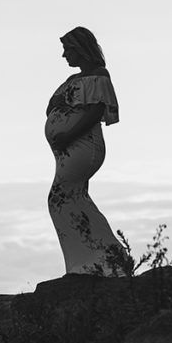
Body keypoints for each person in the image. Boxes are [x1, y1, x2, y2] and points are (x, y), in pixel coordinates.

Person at [44, 27, 130, 276]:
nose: (64, 56)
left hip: (83, 145)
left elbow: (95, 112)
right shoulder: (72, 81)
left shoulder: (99, 76)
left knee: (60, 198)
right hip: (66, 149)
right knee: (74, 198)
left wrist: (69, 135)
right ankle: (95, 259)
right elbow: (54, 108)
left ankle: (104, 256)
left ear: (81, 49)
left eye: (67, 50)